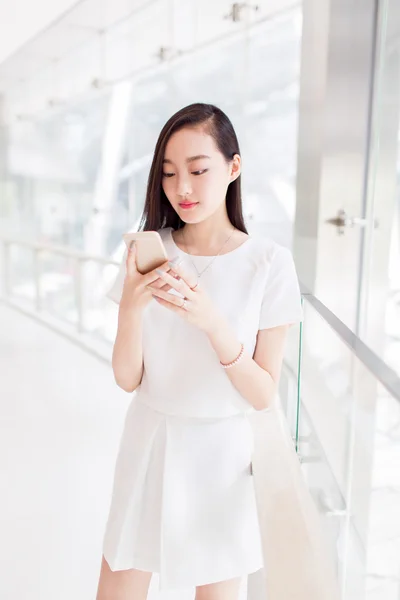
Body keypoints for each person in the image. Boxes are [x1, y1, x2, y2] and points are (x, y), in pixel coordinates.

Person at [96, 103, 303, 600]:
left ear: (234, 167)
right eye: (168, 173)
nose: (181, 188)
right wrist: (129, 308)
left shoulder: (270, 264)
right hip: (150, 437)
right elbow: (128, 379)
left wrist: (214, 324)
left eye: (197, 170)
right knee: (118, 587)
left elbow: (263, 394)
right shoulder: (150, 251)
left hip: (222, 457)